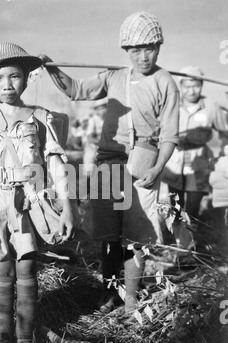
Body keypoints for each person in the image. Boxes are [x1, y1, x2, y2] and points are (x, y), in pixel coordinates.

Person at [40, 11, 180, 315]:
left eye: (150, 48)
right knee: (106, 235)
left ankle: (130, 298)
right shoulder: (114, 76)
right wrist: (51, 67)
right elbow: (75, 90)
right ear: (126, 51)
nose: (143, 56)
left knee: (136, 237)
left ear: (159, 47)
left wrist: (157, 169)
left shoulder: (165, 82)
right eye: (136, 50)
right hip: (108, 162)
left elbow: (169, 135)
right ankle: (108, 292)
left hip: (144, 162)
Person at [0, 42, 75, 343]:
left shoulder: (40, 118)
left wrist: (67, 206)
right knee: (1, 270)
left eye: (15, 77)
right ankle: (3, 340)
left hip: (28, 204)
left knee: (26, 269)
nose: (7, 84)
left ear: (26, 79)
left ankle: (26, 340)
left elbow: (55, 163)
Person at [161, 66, 228, 222]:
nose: (191, 91)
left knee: (193, 204)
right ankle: (177, 238)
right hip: (174, 160)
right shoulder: (172, 105)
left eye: (196, 86)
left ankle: (190, 240)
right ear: (181, 86)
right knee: (175, 203)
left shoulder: (211, 106)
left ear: (202, 85)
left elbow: (225, 130)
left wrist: (223, 154)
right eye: (187, 86)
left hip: (199, 162)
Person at [82, 99, 107, 177]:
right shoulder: (93, 120)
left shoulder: (109, 119)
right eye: (99, 109)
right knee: (89, 168)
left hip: (104, 147)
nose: (101, 111)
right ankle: (87, 183)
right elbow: (90, 138)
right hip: (92, 146)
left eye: (103, 108)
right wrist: (103, 142)